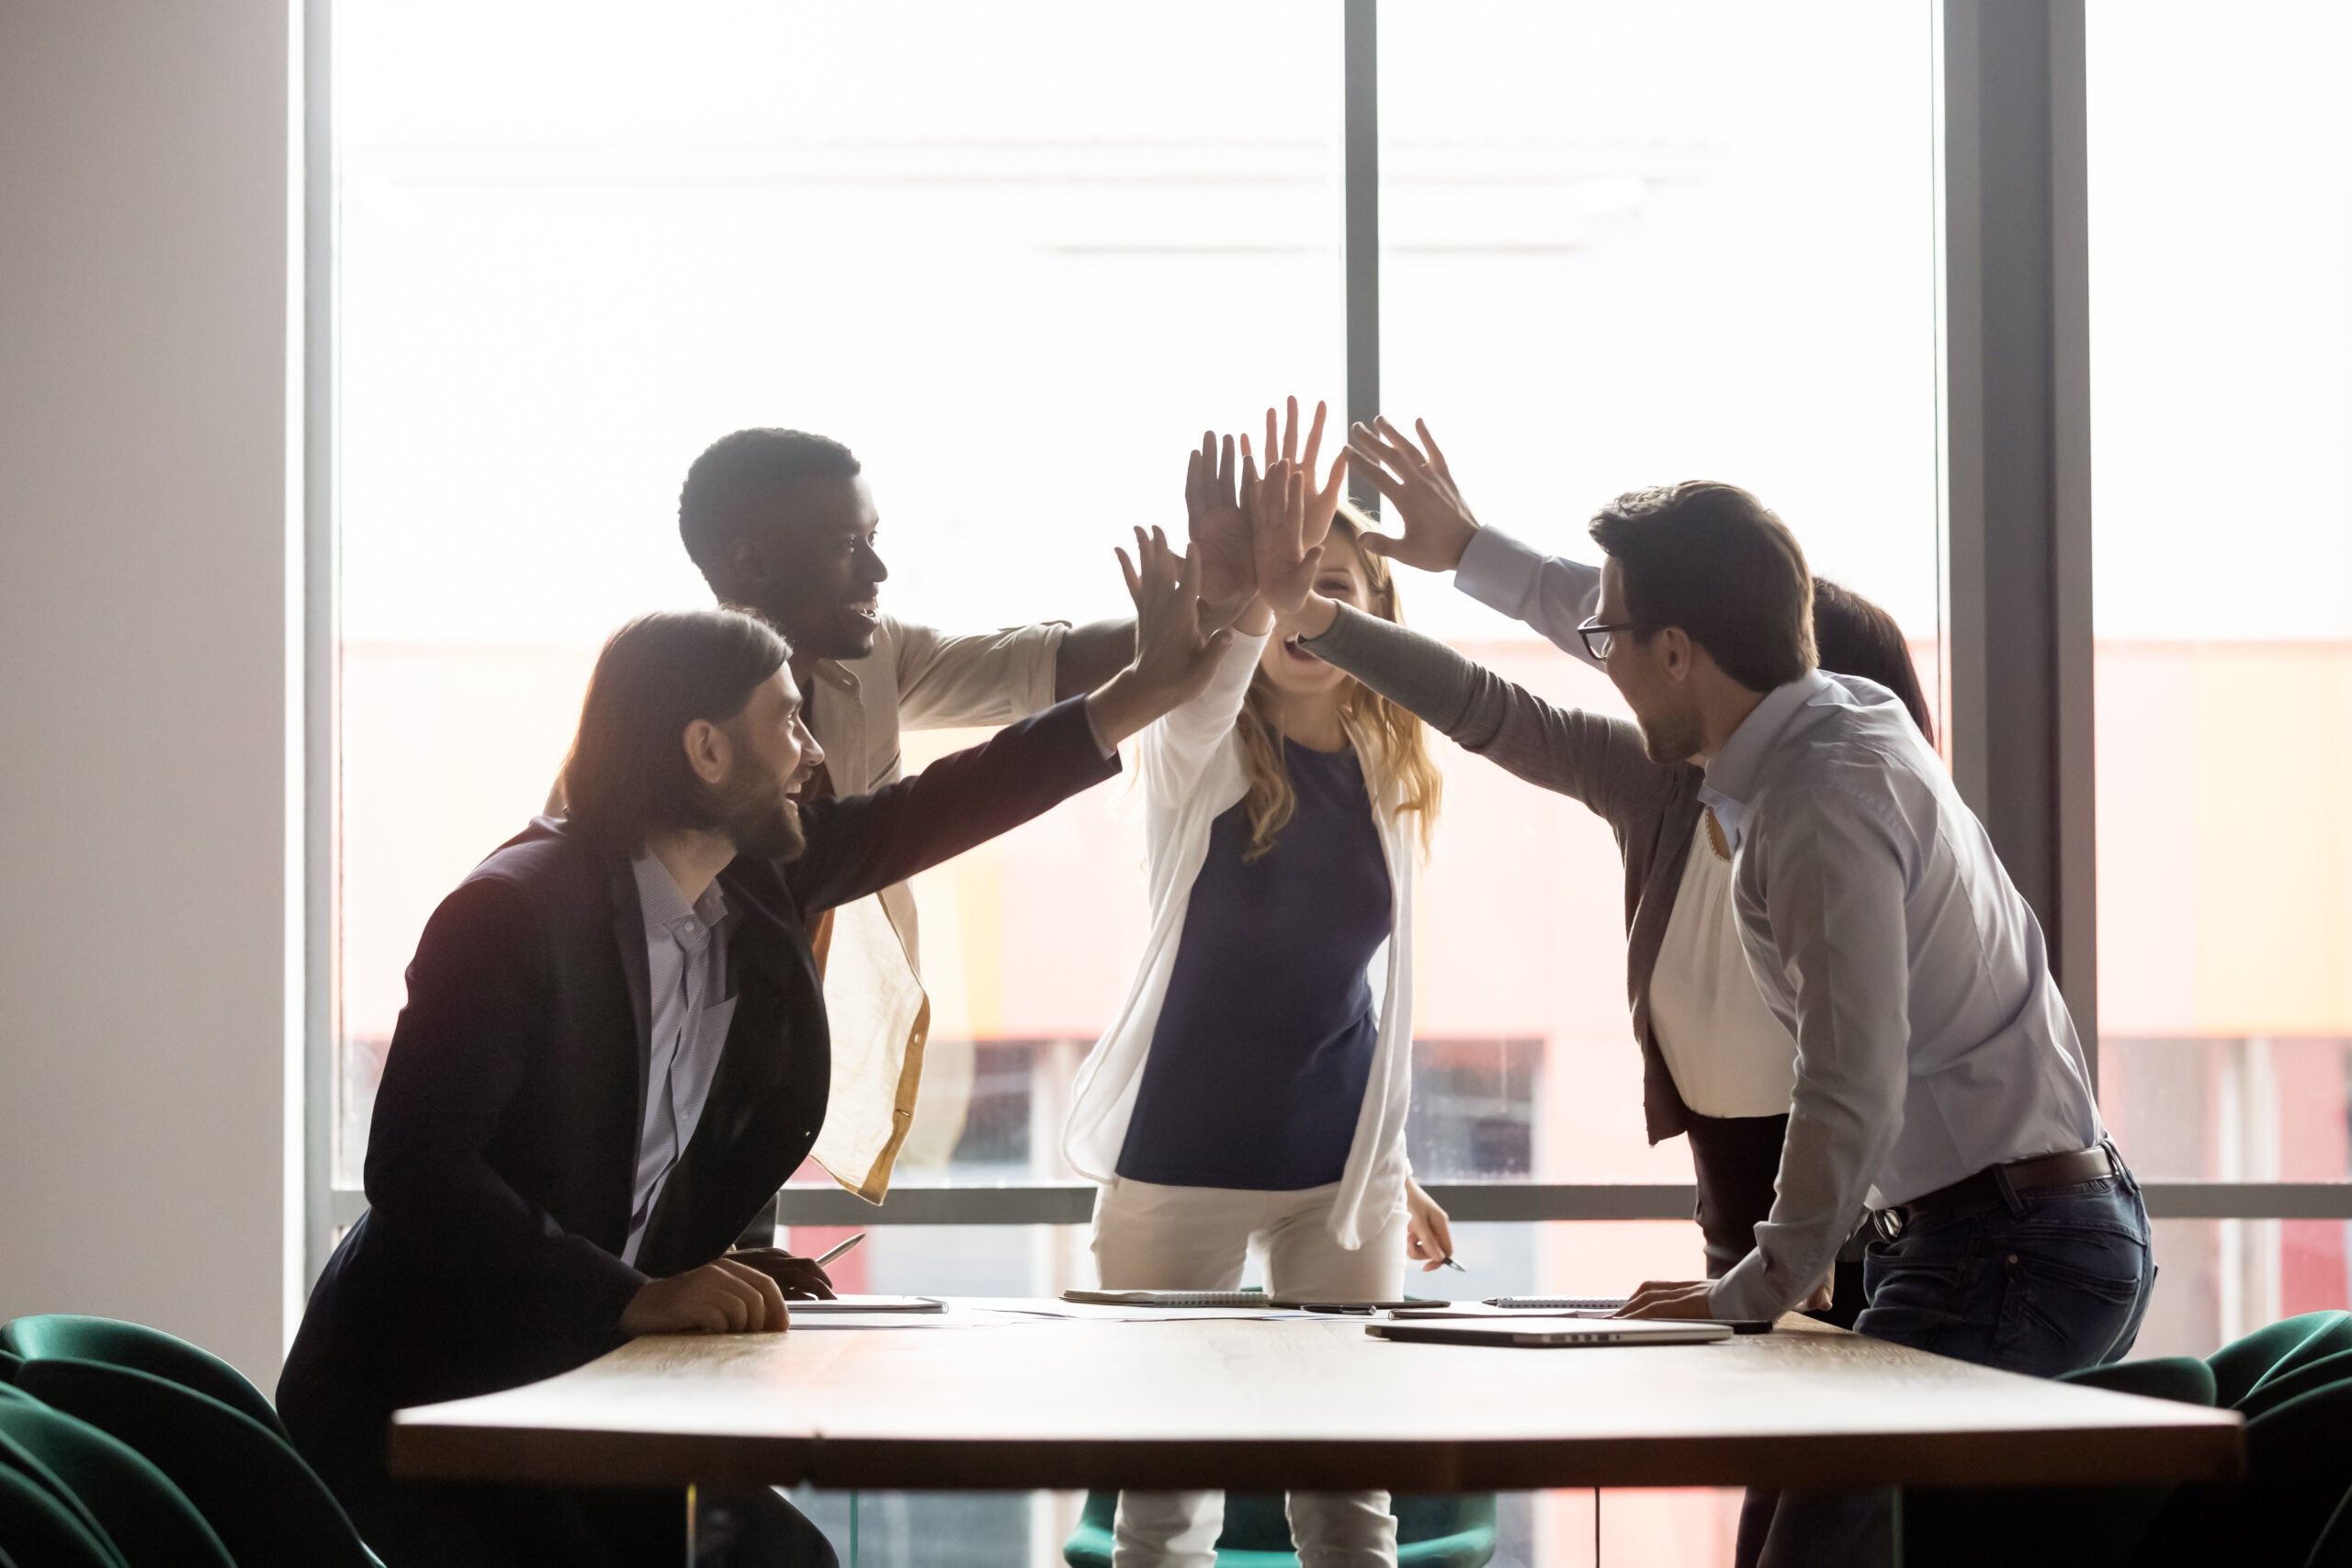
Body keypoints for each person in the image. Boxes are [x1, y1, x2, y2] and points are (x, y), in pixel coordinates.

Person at [279, 531, 1230, 1568]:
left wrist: (1143, 690)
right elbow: (419, 1173)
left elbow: (936, 807)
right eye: (787, 720)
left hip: (580, 1370)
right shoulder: (511, 914)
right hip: (427, 1390)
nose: (814, 755)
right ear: (704, 750)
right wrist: (629, 1291)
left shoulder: (747, 883)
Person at [1274, 419, 1936, 1307]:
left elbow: (1855, 1081)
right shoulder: (1658, 779)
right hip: (1734, 1199)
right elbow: (1506, 700)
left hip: (1868, 1211)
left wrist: (1801, 1259)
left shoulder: (1846, 811)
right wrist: (1346, 607)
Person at [1061, 409, 1453, 1568]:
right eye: (1286, 587)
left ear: (1373, 616)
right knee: (1164, 1511)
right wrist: (1242, 594)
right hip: (1175, 1166)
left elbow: (1343, 994)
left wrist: (1395, 1156)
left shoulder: (1394, 773)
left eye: (1328, 584)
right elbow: (1191, 704)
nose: (1300, 606)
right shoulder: (1201, 757)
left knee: (1347, 1504)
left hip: (1339, 1174)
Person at [671, 429, 1138, 1201]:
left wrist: (1224, 610)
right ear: (751, 562)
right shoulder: (668, 715)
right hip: (681, 1069)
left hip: (778, 1067)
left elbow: (1043, 666)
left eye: (874, 539)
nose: (878, 569)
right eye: (847, 546)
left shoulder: (871, 656)